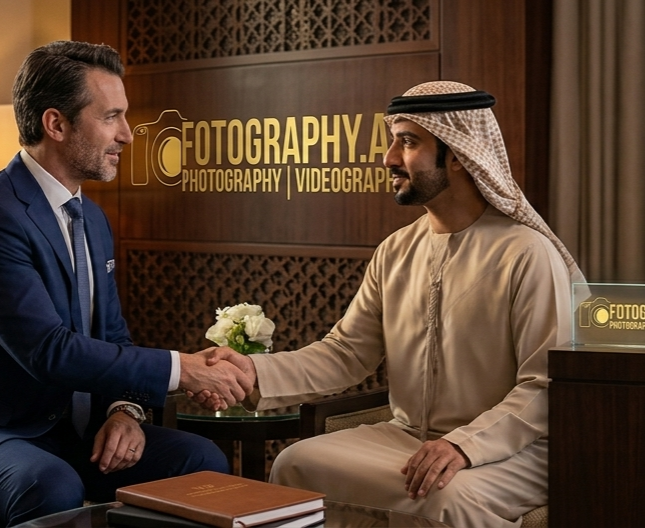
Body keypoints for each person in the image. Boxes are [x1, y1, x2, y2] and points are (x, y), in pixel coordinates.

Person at [197, 81, 585, 527]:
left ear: (459, 154)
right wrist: (253, 372)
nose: (388, 158)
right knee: (295, 464)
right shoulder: (396, 250)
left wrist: (464, 446)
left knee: (443, 500)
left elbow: (543, 385)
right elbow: (346, 352)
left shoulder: (526, 253)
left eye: (408, 142)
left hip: (509, 447)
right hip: (408, 438)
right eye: (392, 141)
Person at [0, 40, 249, 526]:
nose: (128, 135)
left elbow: (110, 337)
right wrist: (184, 370)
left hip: (70, 432)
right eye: (111, 117)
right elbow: (48, 350)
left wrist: (125, 412)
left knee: (202, 464)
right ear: (56, 124)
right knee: (52, 485)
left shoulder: (93, 218)